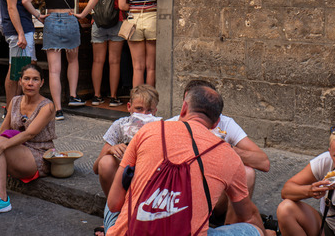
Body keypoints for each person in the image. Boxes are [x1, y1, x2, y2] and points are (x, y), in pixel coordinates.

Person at [106, 81, 265, 236]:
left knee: (114, 210)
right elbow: (247, 216)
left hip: (131, 231)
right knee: (254, 231)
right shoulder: (228, 154)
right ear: (216, 122)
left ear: (184, 108)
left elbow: (114, 204)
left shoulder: (148, 131)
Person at [166, 80, 271, 225]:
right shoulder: (168, 126)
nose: (202, 110)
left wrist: (225, 148)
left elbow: (263, 162)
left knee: (247, 172)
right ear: (185, 105)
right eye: (198, 103)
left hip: (217, 198)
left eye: (206, 106)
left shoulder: (225, 124)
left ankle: (230, 227)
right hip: (181, 197)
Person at [0, 64, 56, 217]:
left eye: (35, 79)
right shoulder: (15, 101)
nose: (30, 83)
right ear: (20, 81)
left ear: (42, 83)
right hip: (16, 148)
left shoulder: (47, 106)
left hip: (37, 155)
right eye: (27, 79)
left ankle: (1, 198)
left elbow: (29, 134)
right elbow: (2, 130)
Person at [22, 0, 98, 120]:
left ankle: (58, 109)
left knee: (54, 70)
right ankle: (72, 96)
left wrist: (37, 15)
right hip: (71, 20)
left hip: (51, 22)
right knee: (73, 60)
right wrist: (83, 14)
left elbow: (25, 0)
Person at [93, 84, 159, 196]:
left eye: (149, 111)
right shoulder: (120, 125)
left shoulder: (159, 128)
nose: (143, 115)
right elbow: (96, 168)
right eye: (139, 109)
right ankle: (113, 207)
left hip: (148, 178)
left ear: (155, 112)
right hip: (124, 175)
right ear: (129, 107)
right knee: (106, 163)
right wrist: (110, 150)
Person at [0, 0, 36, 113]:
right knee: (16, 71)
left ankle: (15, 107)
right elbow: (12, 6)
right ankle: (11, 109)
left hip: (22, 27)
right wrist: (20, 33)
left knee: (20, 68)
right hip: (18, 29)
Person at [89, 0, 125, 107]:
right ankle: (113, 97)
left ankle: (97, 96)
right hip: (117, 22)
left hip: (97, 24)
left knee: (97, 61)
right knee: (114, 62)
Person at [118, 0, 157, 87]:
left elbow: (122, 5)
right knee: (151, 67)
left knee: (137, 67)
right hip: (152, 18)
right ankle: (151, 102)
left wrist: (134, 6)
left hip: (134, 21)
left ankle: (138, 102)